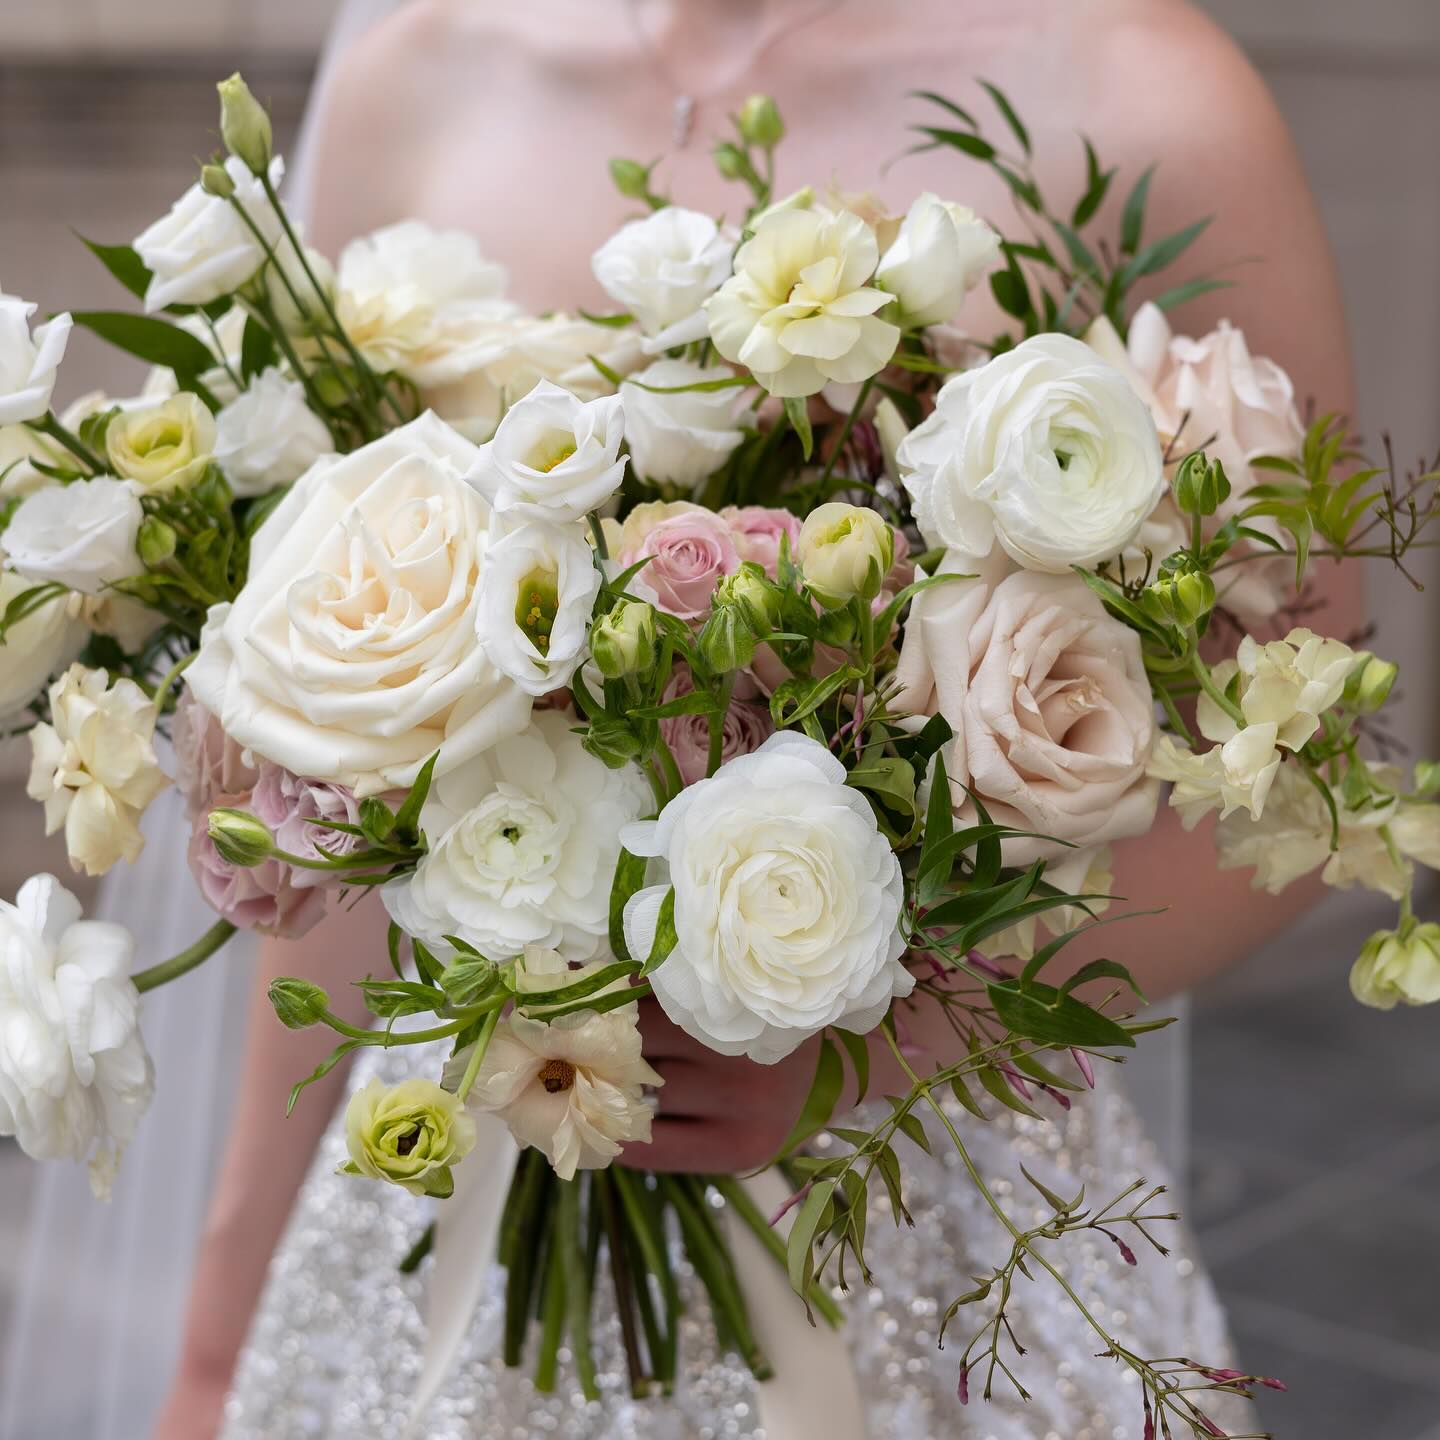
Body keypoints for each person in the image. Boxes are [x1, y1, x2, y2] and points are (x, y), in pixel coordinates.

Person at [145, 1, 1356, 1436]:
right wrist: (219, 1340)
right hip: (466, 1157)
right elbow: (339, 775)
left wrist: (890, 1048)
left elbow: (1307, 762)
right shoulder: (418, 67)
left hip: (928, 1196)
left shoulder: (1145, 87)